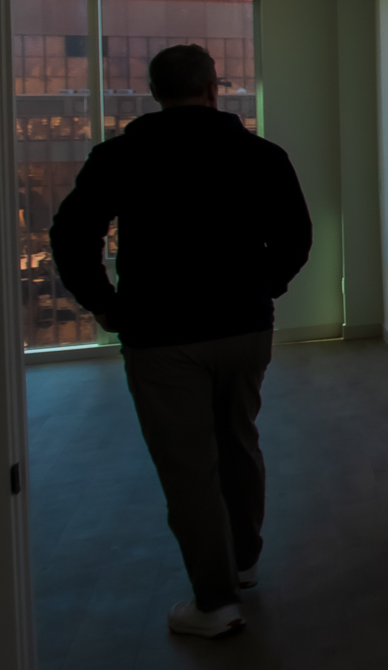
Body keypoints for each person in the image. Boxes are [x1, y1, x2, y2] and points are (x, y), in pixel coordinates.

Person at [52, 43, 312, 638]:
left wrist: (106, 304)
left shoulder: (119, 157)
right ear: (213, 87)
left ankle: (215, 602)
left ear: (155, 92)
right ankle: (244, 564)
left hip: (161, 336)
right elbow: (296, 234)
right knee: (239, 441)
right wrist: (264, 285)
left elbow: (71, 234)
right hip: (245, 328)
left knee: (188, 467)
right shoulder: (260, 155)